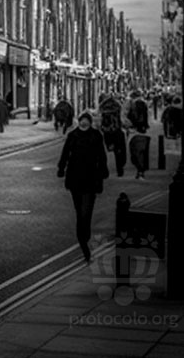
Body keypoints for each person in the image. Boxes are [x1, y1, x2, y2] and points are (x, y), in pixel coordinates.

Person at [57, 110, 110, 263]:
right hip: (75, 178)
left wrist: (103, 170)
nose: (84, 123)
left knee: (85, 212)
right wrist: (61, 168)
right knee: (79, 210)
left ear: (90, 122)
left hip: (91, 179)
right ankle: (83, 238)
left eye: (86, 120)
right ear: (78, 122)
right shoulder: (73, 136)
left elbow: (101, 155)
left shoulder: (96, 135)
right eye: (82, 120)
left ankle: (83, 238)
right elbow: (65, 153)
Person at [98, 92, 127, 177]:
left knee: (103, 153)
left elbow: (100, 121)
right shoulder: (118, 106)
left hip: (107, 132)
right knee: (119, 152)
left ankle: (104, 170)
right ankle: (120, 169)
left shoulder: (102, 108)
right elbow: (122, 119)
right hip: (117, 131)